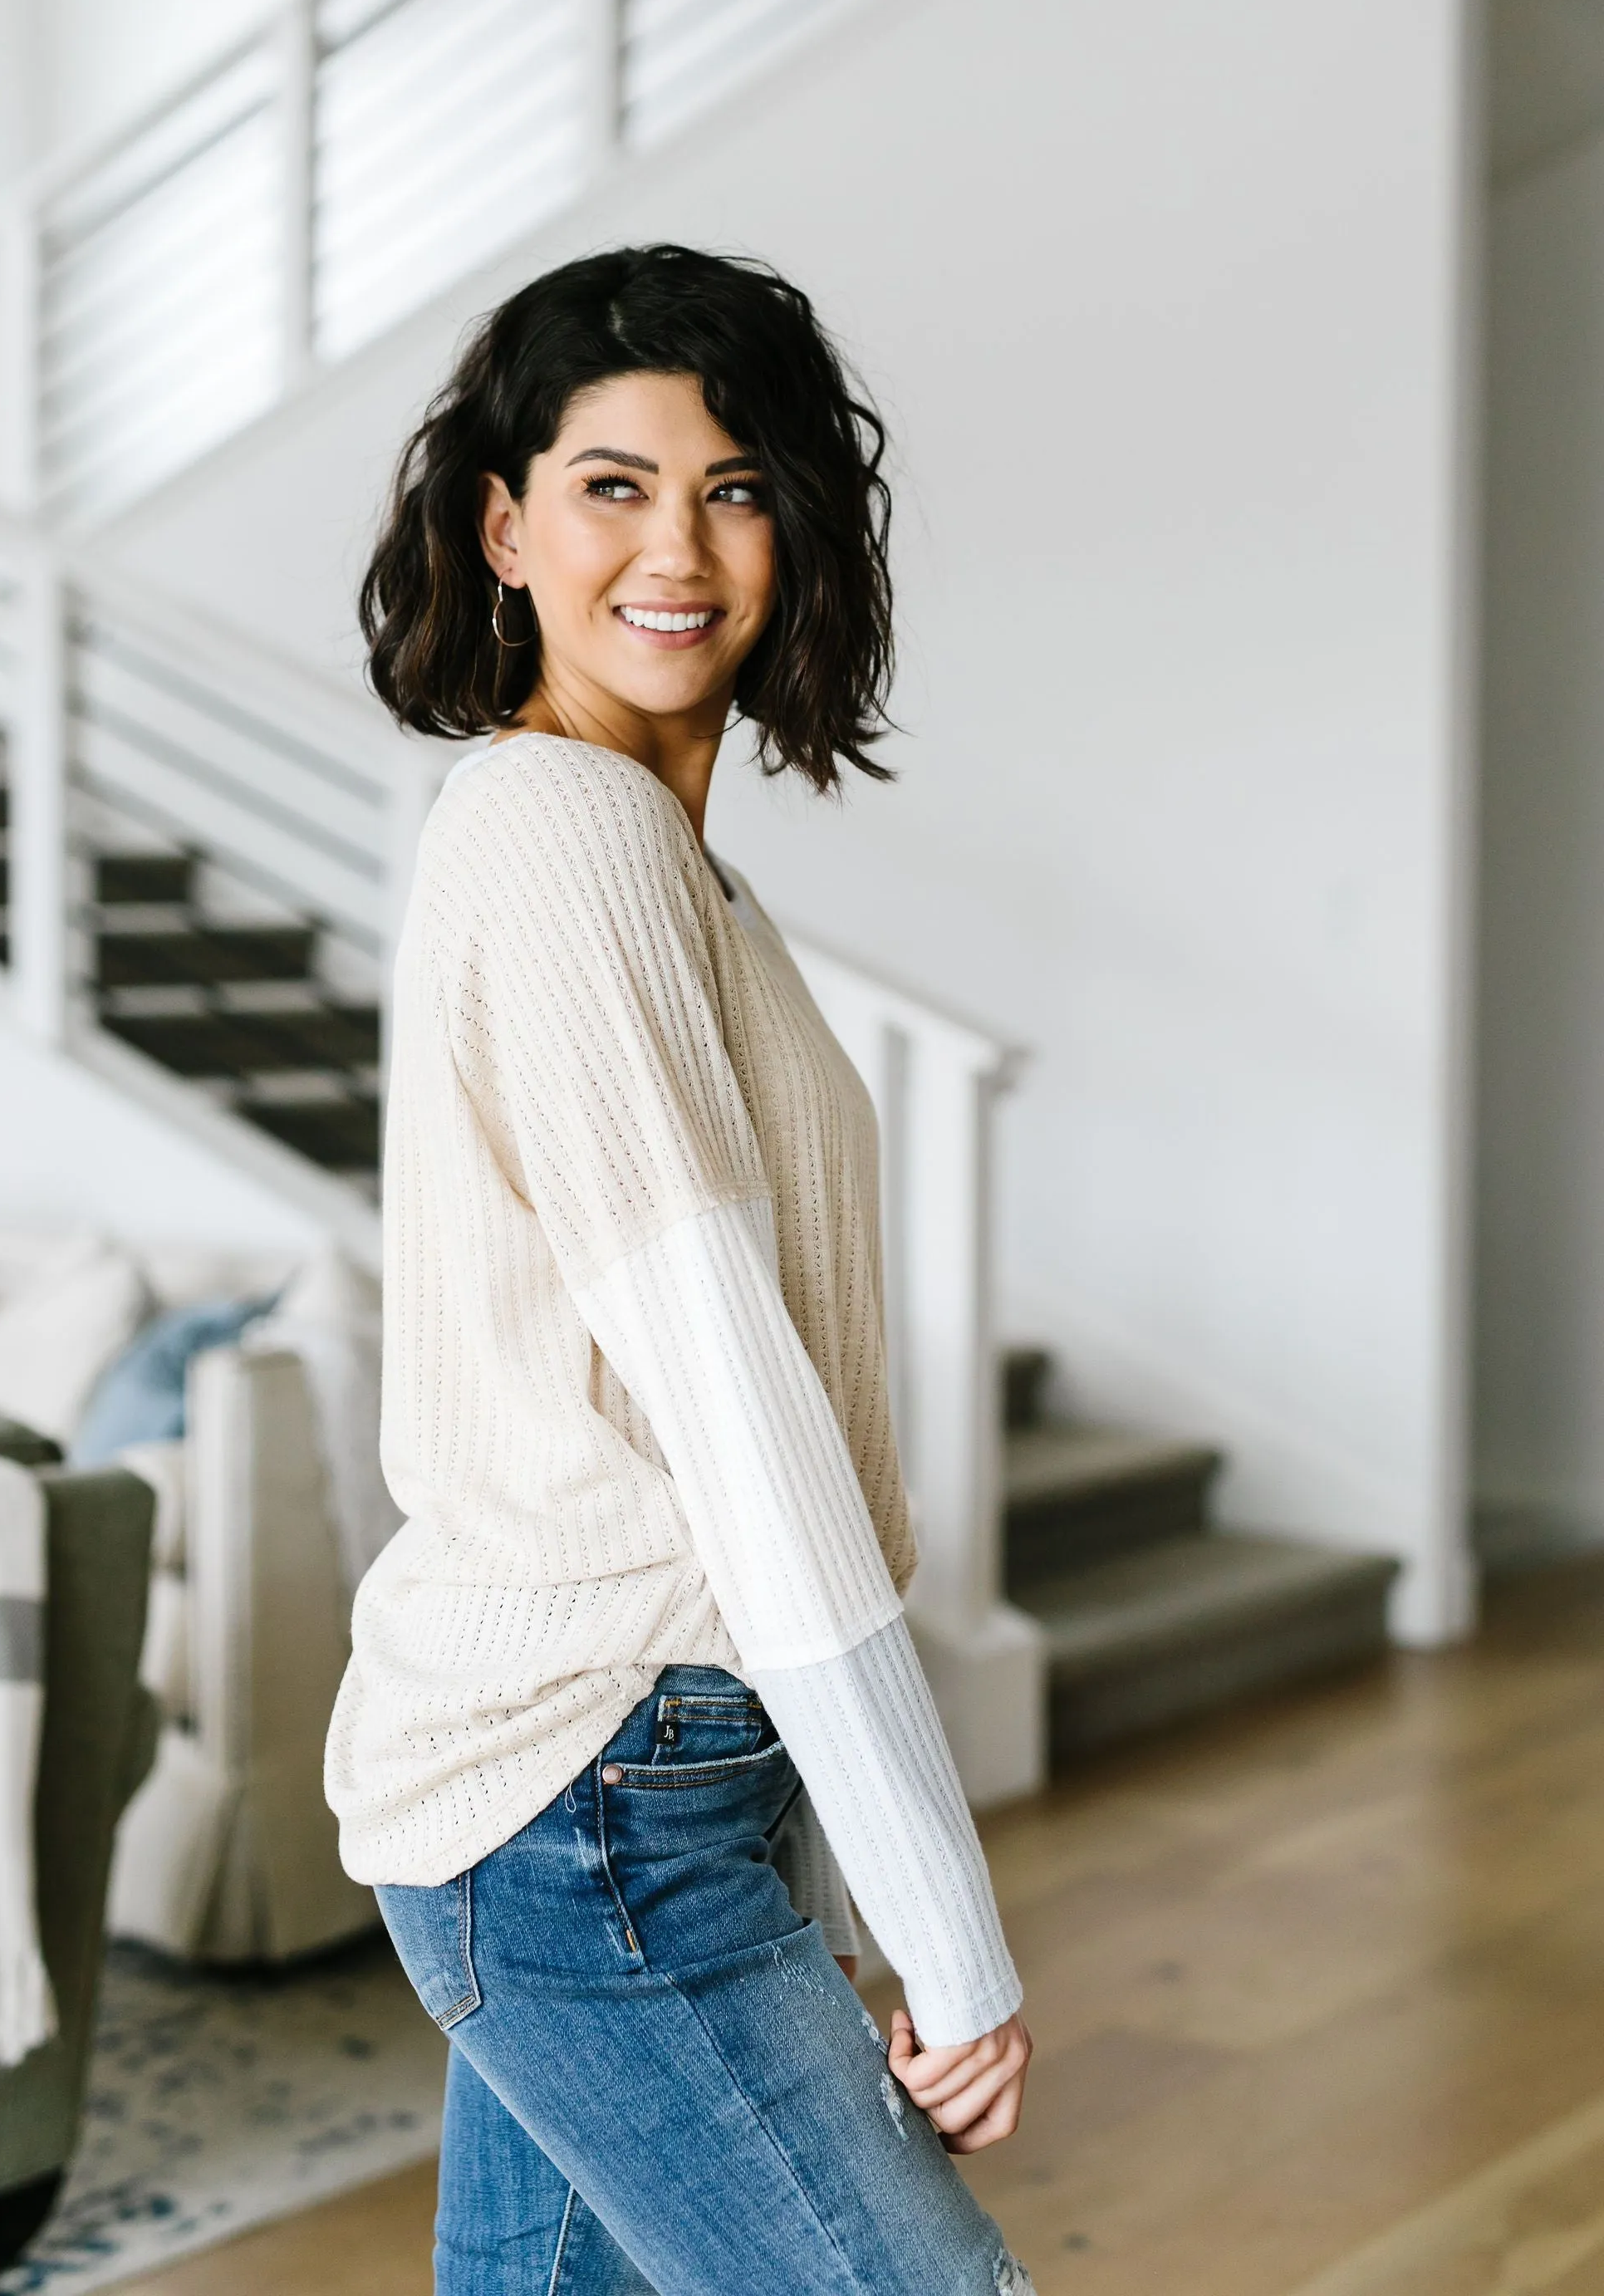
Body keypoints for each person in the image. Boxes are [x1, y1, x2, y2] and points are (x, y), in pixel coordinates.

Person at [326, 243, 1035, 2294]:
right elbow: (732, 1402)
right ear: (505, 525)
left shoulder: (663, 861)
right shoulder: (563, 836)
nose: (681, 544)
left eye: (734, 485)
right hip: (588, 1798)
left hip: (609, 1777)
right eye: (614, 483)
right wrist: (941, 1907)